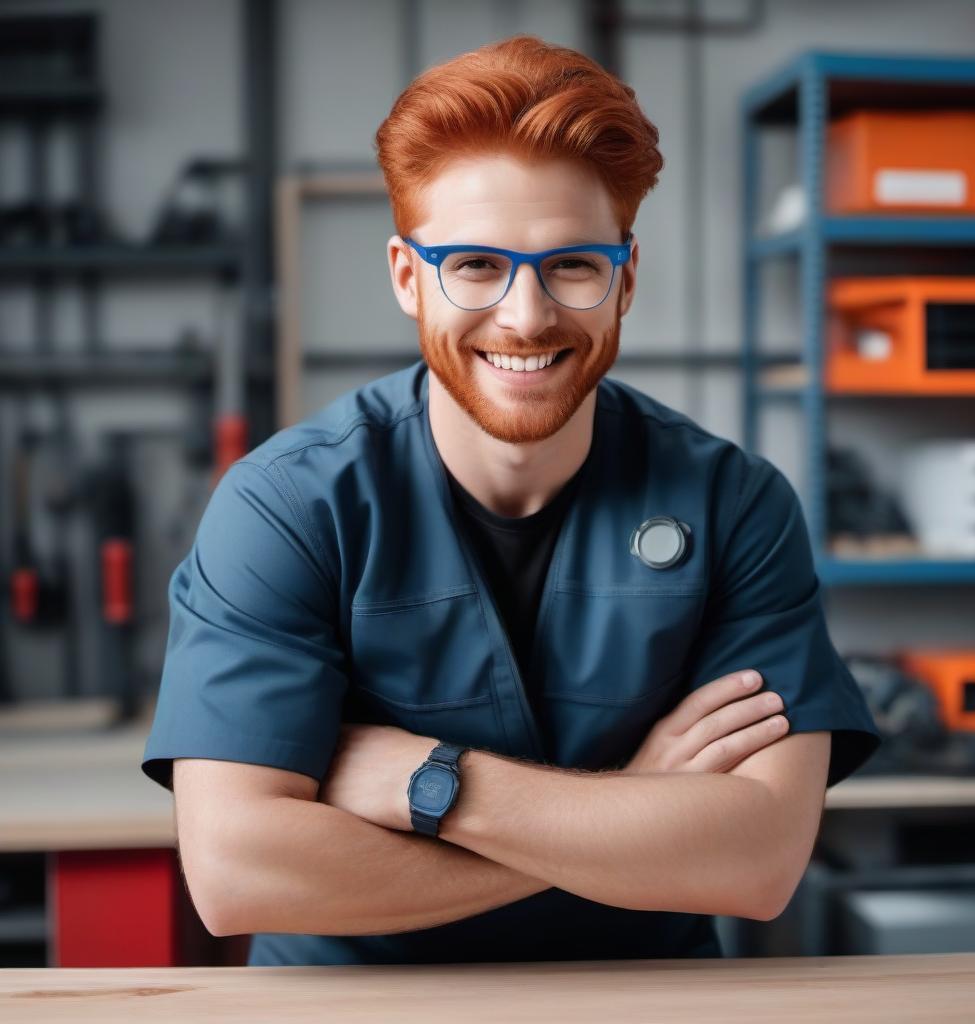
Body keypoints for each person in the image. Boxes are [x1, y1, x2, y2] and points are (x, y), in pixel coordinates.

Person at [141, 35, 881, 966]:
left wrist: (435, 785)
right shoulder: (286, 506)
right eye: (476, 266)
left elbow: (758, 860)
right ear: (409, 277)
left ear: (626, 280)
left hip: (648, 1006)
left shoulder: (734, 504)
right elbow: (239, 873)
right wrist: (635, 802)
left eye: (573, 265)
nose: (526, 316)